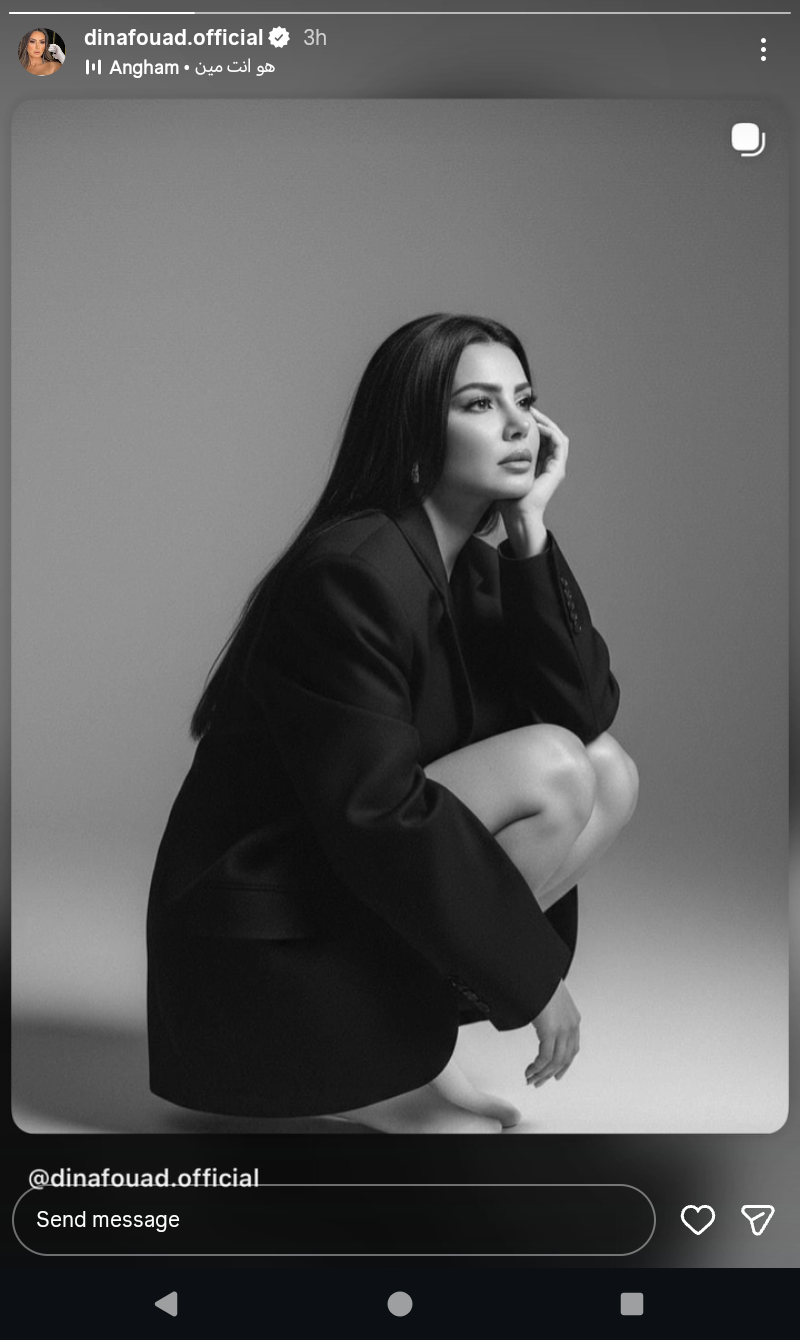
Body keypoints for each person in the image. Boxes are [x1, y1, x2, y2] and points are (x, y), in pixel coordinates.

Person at [147, 313, 638, 1134]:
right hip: (260, 935)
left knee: (608, 771)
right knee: (555, 769)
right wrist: (534, 980)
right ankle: (375, 1068)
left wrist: (530, 533)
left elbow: (583, 711)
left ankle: (410, 1046)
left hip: (344, 881)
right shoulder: (350, 573)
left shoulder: (476, 568)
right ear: (414, 432)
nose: (518, 426)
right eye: (478, 404)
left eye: (524, 401)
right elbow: (377, 811)